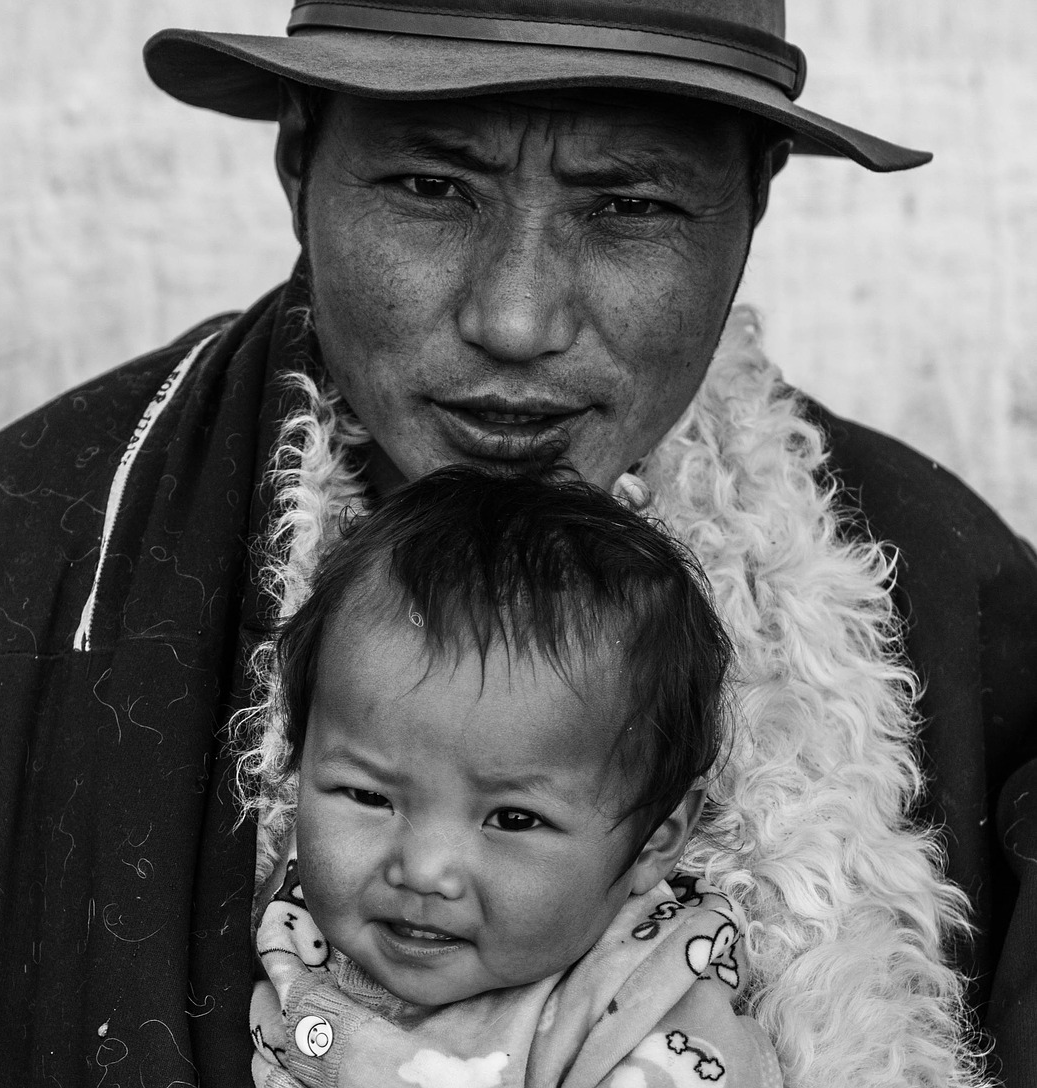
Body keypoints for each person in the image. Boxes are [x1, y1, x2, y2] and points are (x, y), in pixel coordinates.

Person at [0, 0, 1034, 1086]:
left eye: (627, 206)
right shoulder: (24, 554)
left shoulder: (955, 607)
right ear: (299, 163)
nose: (515, 317)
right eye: (430, 187)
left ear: (751, 206)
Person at [244, 466, 781, 1088]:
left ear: (655, 838)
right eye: (369, 796)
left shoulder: (649, 1013)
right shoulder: (277, 899)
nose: (423, 872)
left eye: (513, 819)